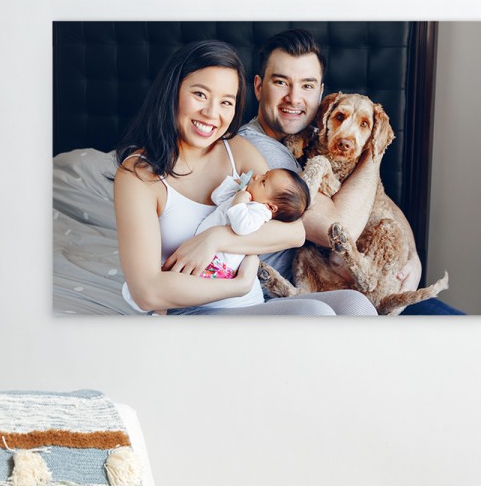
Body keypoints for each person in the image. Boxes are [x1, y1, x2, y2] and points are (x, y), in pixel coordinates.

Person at [114, 39, 378, 316]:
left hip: (251, 305)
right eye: (200, 94)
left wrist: (216, 238)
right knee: (314, 314)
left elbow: (295, 231)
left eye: (226, 102)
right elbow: (146, 293)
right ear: (173, 91)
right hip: (191, 311)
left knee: (355, 305)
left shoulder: (236, 151)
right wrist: (237, 286)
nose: (212, 113)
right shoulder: (139, 176)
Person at [238, 28, 462, 315]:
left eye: (307, 86)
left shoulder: (319, 135)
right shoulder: (259, 149)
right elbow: (338, 230)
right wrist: (373, 149)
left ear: (321, 93)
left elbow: (380, 201)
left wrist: (412, 256)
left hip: (362, 284)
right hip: (303, 292)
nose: (294, 98)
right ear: (259, 87)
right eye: (281, 82)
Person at [196, 168, 309, 280]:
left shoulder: (260, 211)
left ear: (270, 207)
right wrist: (236, 185)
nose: (257, 176)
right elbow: (217, 197)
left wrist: (239, 201)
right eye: (264, 174)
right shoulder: (246, 199)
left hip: (217, 264)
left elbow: (242, 227)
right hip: (205, 252)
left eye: (263, 181)